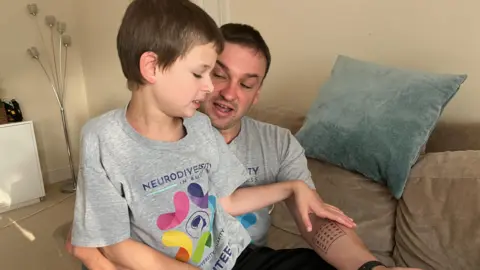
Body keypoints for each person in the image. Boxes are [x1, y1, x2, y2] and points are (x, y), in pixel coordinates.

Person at [68, 1, 355, 270]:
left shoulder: (201, 128)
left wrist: (291, 188)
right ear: (152, 67)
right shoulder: (103, 138)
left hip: (233, 258)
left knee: (312, 263)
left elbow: (226, 200)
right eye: (200, 74)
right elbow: (115, 246)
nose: (209, 88)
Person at [198, 23, 422, 270]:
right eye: (219, 75)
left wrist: (371, 268)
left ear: (257, 93)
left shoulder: (278, 142)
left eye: (246, 84)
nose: (229, 93)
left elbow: (313, 217)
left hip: (246, 259)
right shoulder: (168, 133)